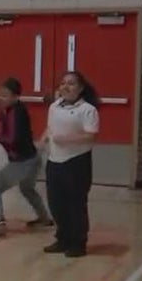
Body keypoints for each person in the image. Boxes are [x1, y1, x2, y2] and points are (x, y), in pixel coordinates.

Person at [0, 78, 54, 238]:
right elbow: (4, 118)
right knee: (27, 188)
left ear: (15, 96)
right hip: (33, 158)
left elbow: (12, 139)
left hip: (22, 161)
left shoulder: (15, 112)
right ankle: (44, 218)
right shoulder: (15, 109)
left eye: (5, 96)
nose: (1, 99)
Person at [41, 72, 100, 258]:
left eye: (71, 84)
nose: (66, 87)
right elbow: (50, 129)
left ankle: (78, 242)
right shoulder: (54, 107)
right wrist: (43, 140)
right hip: (54, 161)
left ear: (81, 88)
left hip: (76, 163)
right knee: (56, 203)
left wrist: (66, 139)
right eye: (63, 83)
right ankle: (63, 238)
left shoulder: (88, 110)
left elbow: (91, 136)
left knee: (76, 204)